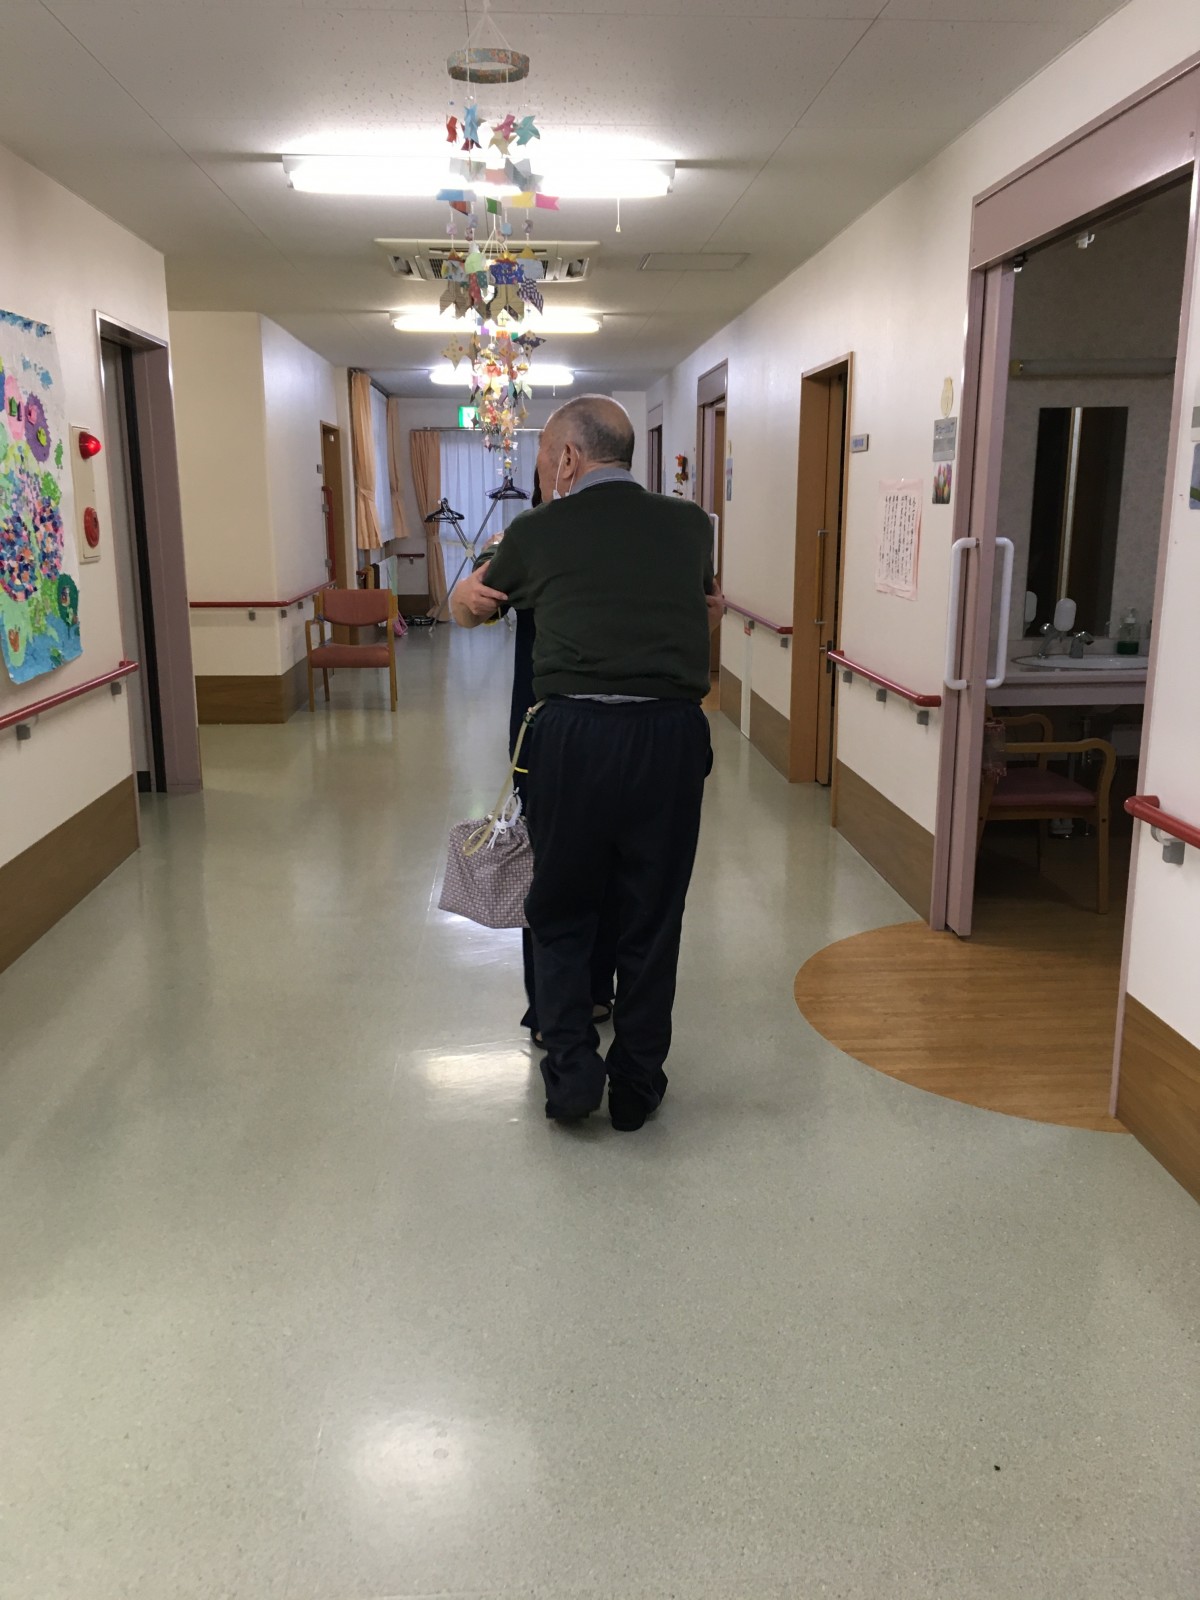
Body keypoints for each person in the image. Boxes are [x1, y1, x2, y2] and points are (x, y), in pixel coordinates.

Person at [453, 397, 716, 1131]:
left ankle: (571, 1075)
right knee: (653, 915)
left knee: (561, 908)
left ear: (568, 458)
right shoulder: (691, 525)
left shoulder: (538, 530)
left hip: (573, 738)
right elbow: (705, 605)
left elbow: (474, 609)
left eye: (545, 459)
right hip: (670, 737)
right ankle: (636, 1084)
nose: (544, 473)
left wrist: (462, 595)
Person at [476, 471, 619, 1047]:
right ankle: (561, 1002)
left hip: (580, 726)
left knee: (585, 870)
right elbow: (479, 599)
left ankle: (586, 993)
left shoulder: (629, 534)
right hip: (550, 724)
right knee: (562, 871)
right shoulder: (532, 535)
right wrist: (467, 594)